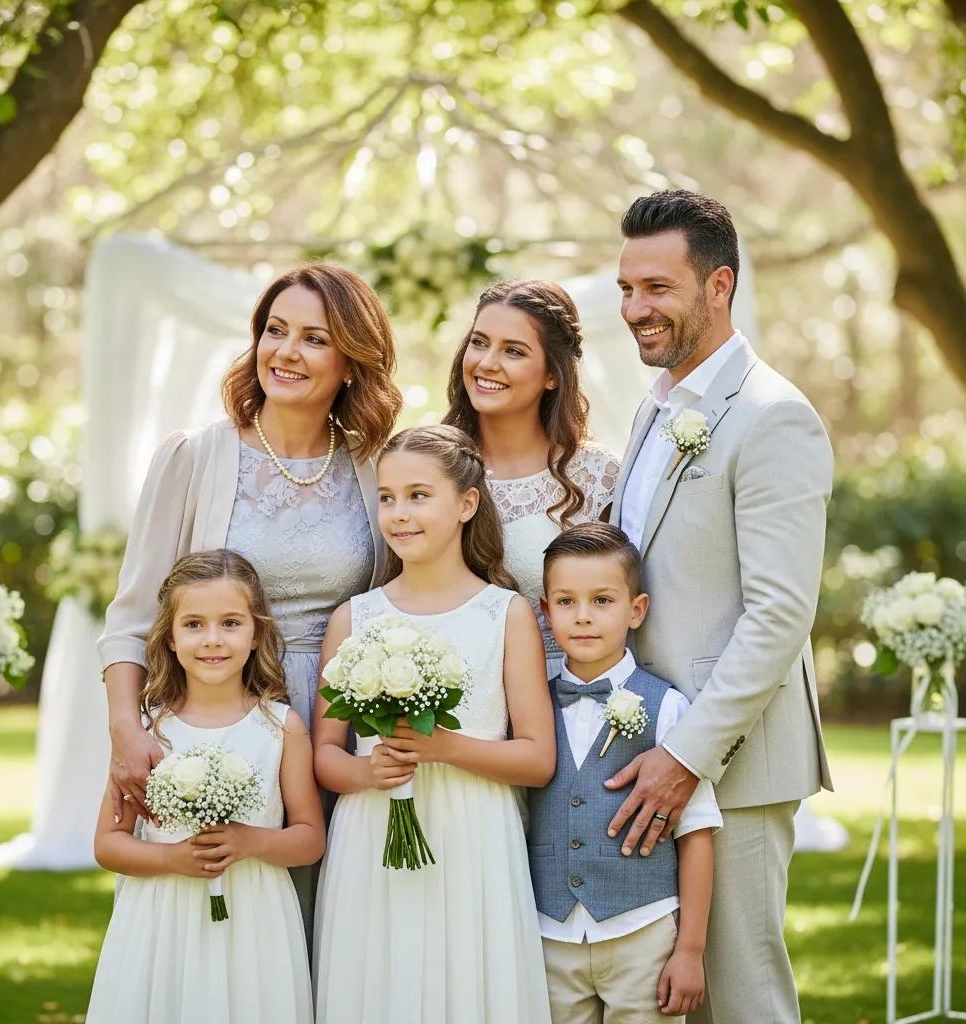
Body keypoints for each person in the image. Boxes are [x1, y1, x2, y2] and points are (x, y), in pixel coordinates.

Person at [98, 263, 402, 933]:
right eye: (275, 330)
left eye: (315, 338)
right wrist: (127, 730)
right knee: (229, 920)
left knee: (341, 922)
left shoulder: (376, 466)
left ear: (352, 361)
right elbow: (130, 619)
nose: (286, 352)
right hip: (221, 718)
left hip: (339, 727)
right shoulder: (193, 458)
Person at [606, 190, 833, 1024]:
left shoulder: (775, 417)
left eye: (658, 288)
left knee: (742, 998)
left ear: (719, 285)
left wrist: (687, 755)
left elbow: (778, 615)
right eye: (627, 288)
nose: (636, 309)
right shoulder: (655, 407)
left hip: (728, 763)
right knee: (670, 997)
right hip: (646, 751)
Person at [312, 424, 555, 1023]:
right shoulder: (355, 619)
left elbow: (536, 757)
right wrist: (368, 772)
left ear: (466, 504)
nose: (399, 513)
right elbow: (325, 755)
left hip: (473, 836)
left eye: (419, 495)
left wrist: (442, 747)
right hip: (373, 833)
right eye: (388, 497)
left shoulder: (506, 613)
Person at [87, 550, 323, 1023]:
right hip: (163, 915)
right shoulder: (149, 735)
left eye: (230, 623)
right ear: (169, 638)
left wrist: (250, 840)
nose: (212, 640)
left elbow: (310, 838)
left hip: (253, 918)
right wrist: (173, 858)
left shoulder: (281, 727)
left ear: (257, 634)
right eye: (193, 624)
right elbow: (109, 845)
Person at [530, 523, 720, 1022]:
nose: (584, 616)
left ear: (636, 610)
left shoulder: (668, 706)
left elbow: (696, 834)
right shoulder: (529, 710)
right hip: (549, 933)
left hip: (644, 930)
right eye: (566, 601)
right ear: (545, 611)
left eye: (602, 600)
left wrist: (690, 950)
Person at [444, 280, 619, 677]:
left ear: (552, 376)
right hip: (452, 695)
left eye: (514, 351)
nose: (487, 362)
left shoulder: (597, 475)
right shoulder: (436, 463)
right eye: (479, 342)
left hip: (560, 691)